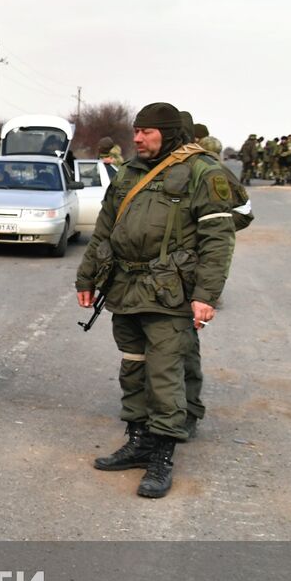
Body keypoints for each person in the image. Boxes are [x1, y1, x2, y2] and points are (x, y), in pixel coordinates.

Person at [75, 102, 236, 498]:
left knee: (164, 374)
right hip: (125, 286)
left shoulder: (203, 172)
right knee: (133, 367)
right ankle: (138, 439)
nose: (138, 138)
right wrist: (87, 276)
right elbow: (104, 229)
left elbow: (219, 240)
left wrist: (205, 295)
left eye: (146, 131)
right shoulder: (129, 171)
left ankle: (162, 454)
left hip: (170, 289)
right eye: (136, 130)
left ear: (167, 132)